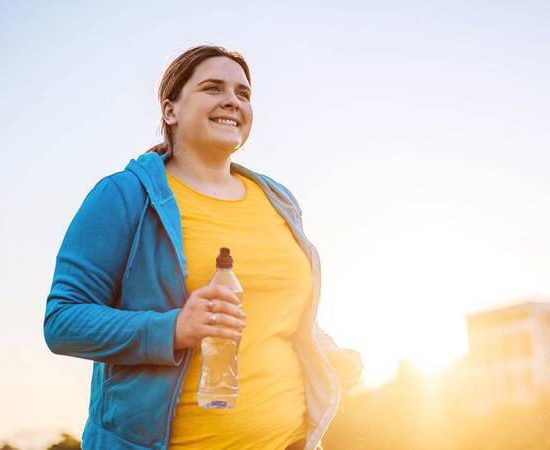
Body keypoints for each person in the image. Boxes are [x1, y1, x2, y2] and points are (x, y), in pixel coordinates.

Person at [44, 44, 362, 450]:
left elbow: (283, 315)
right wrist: (174, 328)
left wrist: (327, 353)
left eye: (243, 93)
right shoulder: (124, 196)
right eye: (213, 88)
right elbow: (63, 321)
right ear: (170, 110)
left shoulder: (279, 201)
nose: (232, 100)